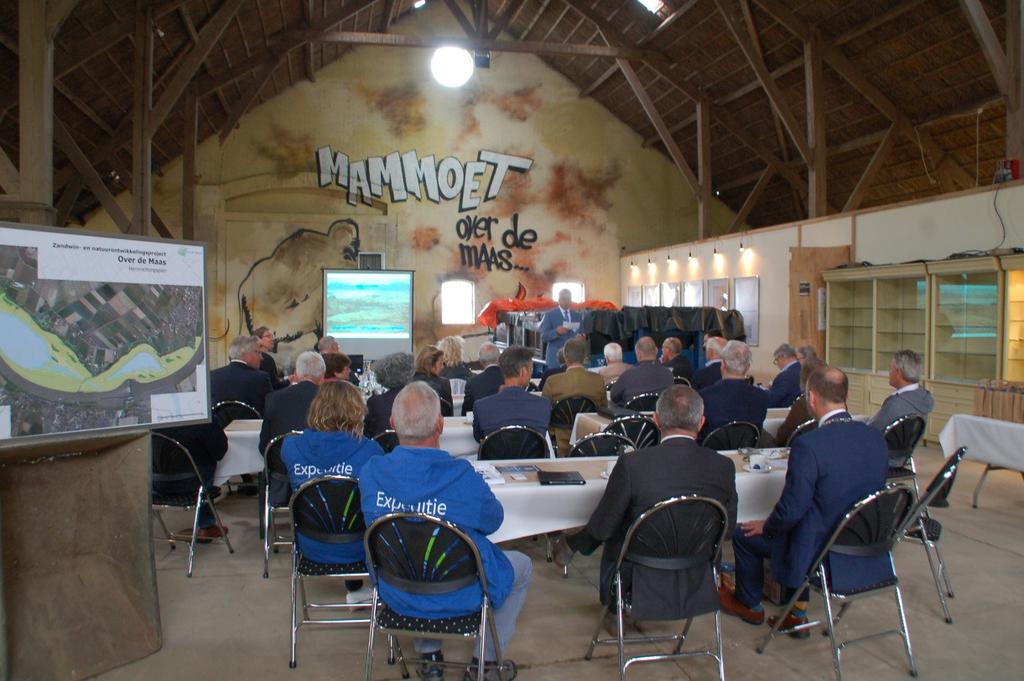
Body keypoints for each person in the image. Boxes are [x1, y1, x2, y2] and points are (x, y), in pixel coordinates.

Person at [359, 382, 532, 681]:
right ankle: (486, 664)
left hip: (394, 588)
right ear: (440, 425)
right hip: (461, 590)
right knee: (523, 566)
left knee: (413, 551)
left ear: (391, 424)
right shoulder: (461, 475)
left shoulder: (371, 472)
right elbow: (494, 521)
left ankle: (430, 657)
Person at [719, 366, 891, 634]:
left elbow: (792, 510)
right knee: (795, 524)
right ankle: (795, 608)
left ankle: (750, 604)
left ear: (811, 398)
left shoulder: (809, 445)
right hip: (867, 539)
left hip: (820, 547)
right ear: (845, 395)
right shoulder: (876, 438)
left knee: (746, 535)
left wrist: (767, 525)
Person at [552, 385, 736, 620]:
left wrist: (573, 543)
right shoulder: (723, 467)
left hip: (637, 575)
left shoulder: (633, 464)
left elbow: (603, 527)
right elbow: (727, 529)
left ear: (656, 419)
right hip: (698, 574)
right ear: (701, 423)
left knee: (615, 529)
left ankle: (574, 551)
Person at [282, 381, 384, 602]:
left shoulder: (290, 447)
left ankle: (355, 590)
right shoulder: (370, 451)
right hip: (361, 547)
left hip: (310, 544)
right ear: (356, 410)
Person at [259, 351, 325, 503]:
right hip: (322, 470)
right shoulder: (331, 400)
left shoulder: (274, 399)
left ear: (296, 374)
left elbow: (264, 446)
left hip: (283, 469)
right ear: (322, 376)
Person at [153, 420, 229, 541]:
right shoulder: (201, 418)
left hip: (155, 486)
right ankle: (206, 525)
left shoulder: (151, 421)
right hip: (193, 485)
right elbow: (219, 452)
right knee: (205, 462)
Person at [543, 338, 608, 455]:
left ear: (565, 357)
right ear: (585, 358)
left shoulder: (552, 381)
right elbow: (603, 408)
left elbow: (544, 411)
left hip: (559, 438)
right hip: (589, 437)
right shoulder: (598, 380)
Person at [473, 345, 551, 442]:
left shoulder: (481, 406)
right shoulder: (543, 405)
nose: (531, 373)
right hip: (533, 456)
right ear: (523, 371)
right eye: (531, 369)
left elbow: (479, 439)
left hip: (497, 456)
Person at [698, 340, 769, 438]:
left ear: (723, 365)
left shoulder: (704, 397)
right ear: (747, 367)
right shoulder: (761, 397)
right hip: (747, 449)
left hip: (712, 450)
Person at [868, 349, 935, 430]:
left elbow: (872, 430)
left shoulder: (894, 404)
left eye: (891, 368)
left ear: (898, 373)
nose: (889, 373)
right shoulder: (924, 396)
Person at [210, 335, 273, 415]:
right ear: (248, 354)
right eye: (259, 352)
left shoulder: (212, 376)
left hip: (219, 427)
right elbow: (272, 410)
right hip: (253, 427)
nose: (261, 358)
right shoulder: (261, 378)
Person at [609, 336, 673, 406]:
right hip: (661, 415)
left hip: (633, 415)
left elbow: (613, 397)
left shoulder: (627, 375)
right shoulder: (668, 374)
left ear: (638, 354)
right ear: (656, 351)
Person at [774, 357, 824, 445]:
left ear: (803, 378)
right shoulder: (833, 401)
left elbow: (783, 435)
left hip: (804, 448)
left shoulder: (804, 403)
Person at [364, 352, 415, 438]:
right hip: (414, 446)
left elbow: (368, 433)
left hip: (383, 447)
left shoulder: (375, 402)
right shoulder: (419, 400)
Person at [539, 288, 584, 369]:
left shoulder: (577, 315)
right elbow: (544, 337)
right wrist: (556, 332)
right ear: (558, 300)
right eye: (564, 299)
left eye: (569, 299)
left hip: (574, 360)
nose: (566, 301)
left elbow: (582, 333)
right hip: (555, 359)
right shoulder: (550, 315)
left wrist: (582, 337)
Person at [412, 345, 455, 417]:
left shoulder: (407, 383)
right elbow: (449, 414)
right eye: (440, 363)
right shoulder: (444, 384)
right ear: (430, 365)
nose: (443, 367)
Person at [462, 343, 503, 416]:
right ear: (499, 359)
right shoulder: (509, 378)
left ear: (480, 361)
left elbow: (466, 413)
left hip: (481, 424)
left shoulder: (472, 382)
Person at [765, 343, 802, 408]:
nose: (777, 364)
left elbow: (772, 401)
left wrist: (763, 392)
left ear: (783, 357)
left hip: (783, 414)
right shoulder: (802, 369)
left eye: (776, 360)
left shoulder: (785, 376)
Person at [253, 325, 289, 390]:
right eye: (268, 336)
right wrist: (289, 381)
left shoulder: (252, 356)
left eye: (272, 336)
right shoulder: (267, 359)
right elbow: (274, 385)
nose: (272, 339)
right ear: (258, 339)